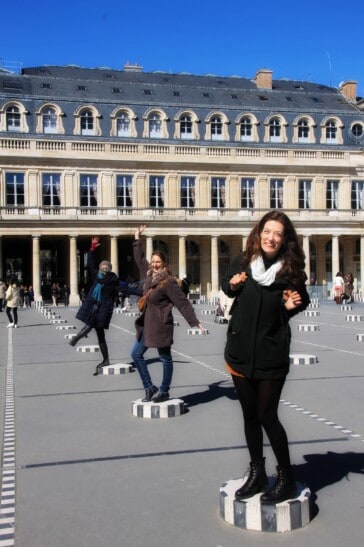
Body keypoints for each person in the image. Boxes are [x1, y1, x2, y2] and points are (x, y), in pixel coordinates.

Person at [221, 210, 310, 504]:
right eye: (267, 231)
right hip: (239, 352)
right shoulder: (243, 261)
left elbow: (301, 301)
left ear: (285, 240)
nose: (271, 237)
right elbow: (227, 286)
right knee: (248, 415)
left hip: (271, 353)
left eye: (278, 234)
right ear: (259, 233)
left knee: (267, 415)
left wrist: (289, 308)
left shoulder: (290, 272)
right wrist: (233, 285)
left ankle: (286, 477)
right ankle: (257, 472)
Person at [131, 224, 205, 402]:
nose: (155, 264)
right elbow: (139, 260)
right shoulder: (149, 275)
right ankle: (149, 387)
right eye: (153, 261)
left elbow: (182, 302)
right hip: (147, 324)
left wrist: (194, 322)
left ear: (164, 263)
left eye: (158, 262)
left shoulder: (168, 282)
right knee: (136, 354)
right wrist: (136, 239)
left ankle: (164, 390)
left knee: (165, 358)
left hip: (161, 325)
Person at [69, 237, 119, 376]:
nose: (104, 268)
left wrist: (141, 290)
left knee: (91, 323)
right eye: (102, 267)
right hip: (94, 307)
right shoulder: (97, 277)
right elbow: (90, 264)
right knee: (100, 336)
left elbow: (125, 288)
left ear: (109, 269)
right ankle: (106, 359)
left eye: (106, 267)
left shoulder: (113, 280)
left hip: (103, 310)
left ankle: (76, 338)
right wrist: (91, 249)